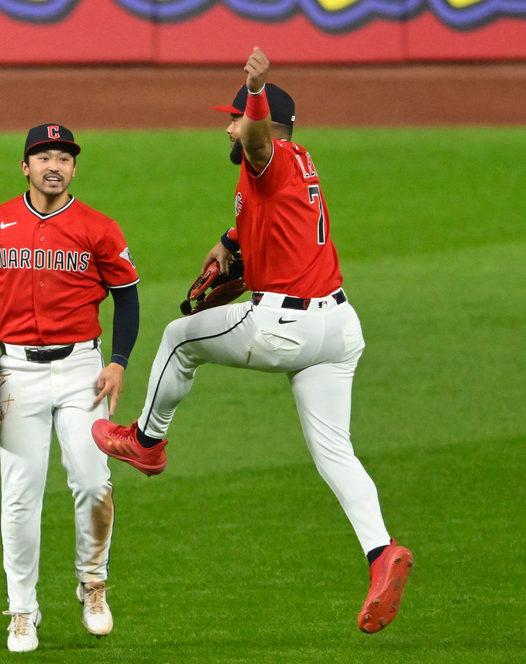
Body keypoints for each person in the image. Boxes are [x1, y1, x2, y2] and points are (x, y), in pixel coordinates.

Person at [90, 48, 414, 634]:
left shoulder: (271, 154)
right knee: (334, 452)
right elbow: (257, 218)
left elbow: (261, 143)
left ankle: (146, 441)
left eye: (234, 117)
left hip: (283, 326)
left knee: (178, 338)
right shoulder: (293, 168)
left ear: (262, 123)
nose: (228, 126)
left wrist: (256, 89)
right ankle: (380, 552)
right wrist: (227, 246)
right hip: (337, 330)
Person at [0, 124, 140, 652]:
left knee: (93, 481)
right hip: (18, 373)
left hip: (84, 369)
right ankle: (21, 610)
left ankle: (93, 583)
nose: (53, 165)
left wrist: (120, 362)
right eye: (43, 157)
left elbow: (126, 298)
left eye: (63, 157)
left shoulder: (98, 227)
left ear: (74, 168)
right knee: (19, 497)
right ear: (25, 167)